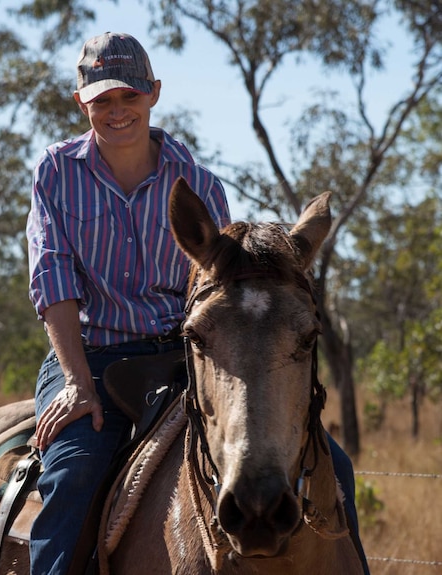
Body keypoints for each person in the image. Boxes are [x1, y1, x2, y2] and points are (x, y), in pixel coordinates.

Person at [25, 31, 370, 575]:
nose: (117, 112)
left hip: (189, 355)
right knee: (72, 477)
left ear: (153, 94)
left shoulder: (201, 186)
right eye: (102, 101)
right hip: (90, 355)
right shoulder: (56, 174)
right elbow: (53, 282)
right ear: (81, 102)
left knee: (337, 470)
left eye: (129, 98)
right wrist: (76, 385)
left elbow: (225, 302)